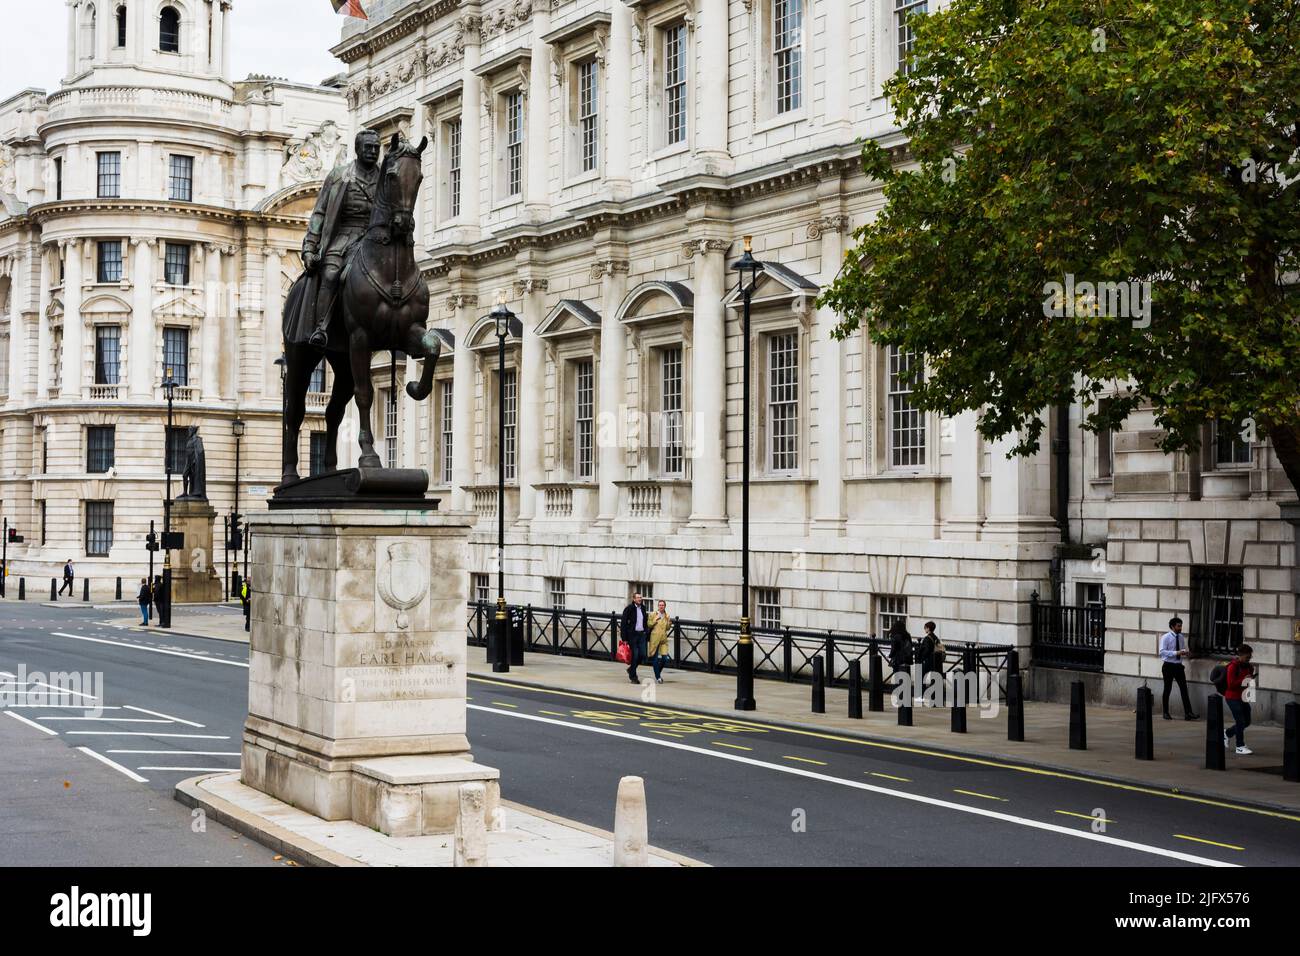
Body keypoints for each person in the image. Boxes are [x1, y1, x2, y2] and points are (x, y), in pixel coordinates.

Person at [299, 128, 383, 349]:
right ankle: (321, 327)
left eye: (376, 148)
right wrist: (310, 247)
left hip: (375, 236)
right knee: (331, 273)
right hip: (345, 234)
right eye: (368, 147)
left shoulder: (385, 177)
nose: (373, 152)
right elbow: (320, 213)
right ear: (357, 149)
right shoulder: (339, 176)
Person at [1158, 616, 1199, 720]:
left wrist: (1185, 653)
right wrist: (1176, 652)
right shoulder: (1166, 637)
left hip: (1179, 666)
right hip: (1168, 666)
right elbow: (1162, 652)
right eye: (1178, 626)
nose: (1180, 628)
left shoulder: (1180, 637)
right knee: (1167, 689)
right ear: (1172, 626)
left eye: (1181, 626)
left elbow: (1182, 649)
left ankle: (1188, 713)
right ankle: (1166, 712)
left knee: (1184, 689)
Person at [1223, 644, 1256, 755]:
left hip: (1243, 696)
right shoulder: (1233, 666)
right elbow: (1230, 684)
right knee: (1240, 721)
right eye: (1247, 657)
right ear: (1240, 655)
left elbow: (1247, 683)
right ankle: (1240, 746)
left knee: (1247, 721)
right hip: (1232, 697)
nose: (1249, 659)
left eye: (1250, 657)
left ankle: (1227, 733)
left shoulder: (1249, 667)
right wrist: (1244, 679)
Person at [620, 592, 649, 684]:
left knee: (643, 655)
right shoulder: (629, 609)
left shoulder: (643, 608)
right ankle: (633, 677)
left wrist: (646, 632)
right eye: (638, 598)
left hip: (642, 635)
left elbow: (645, 621)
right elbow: (623, 623)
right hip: (632, 635)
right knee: (635, 655)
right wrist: (624, 638)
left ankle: (631, 669)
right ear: (634, 599)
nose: (640, 599)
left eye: (640, 597)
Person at [646, 600, 672, 684]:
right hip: (654, 639)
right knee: (655, 659)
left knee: (665, 659)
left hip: (663, 639)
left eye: (663, 605)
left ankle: (657, 673)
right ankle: (658, 677)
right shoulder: (653, 614)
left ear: (665, 606)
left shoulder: (667, 615)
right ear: (658, 606)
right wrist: (655, 620)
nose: (661, 606)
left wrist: (669, 622)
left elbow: (667, 628)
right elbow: (649, 624)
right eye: (660, 605)